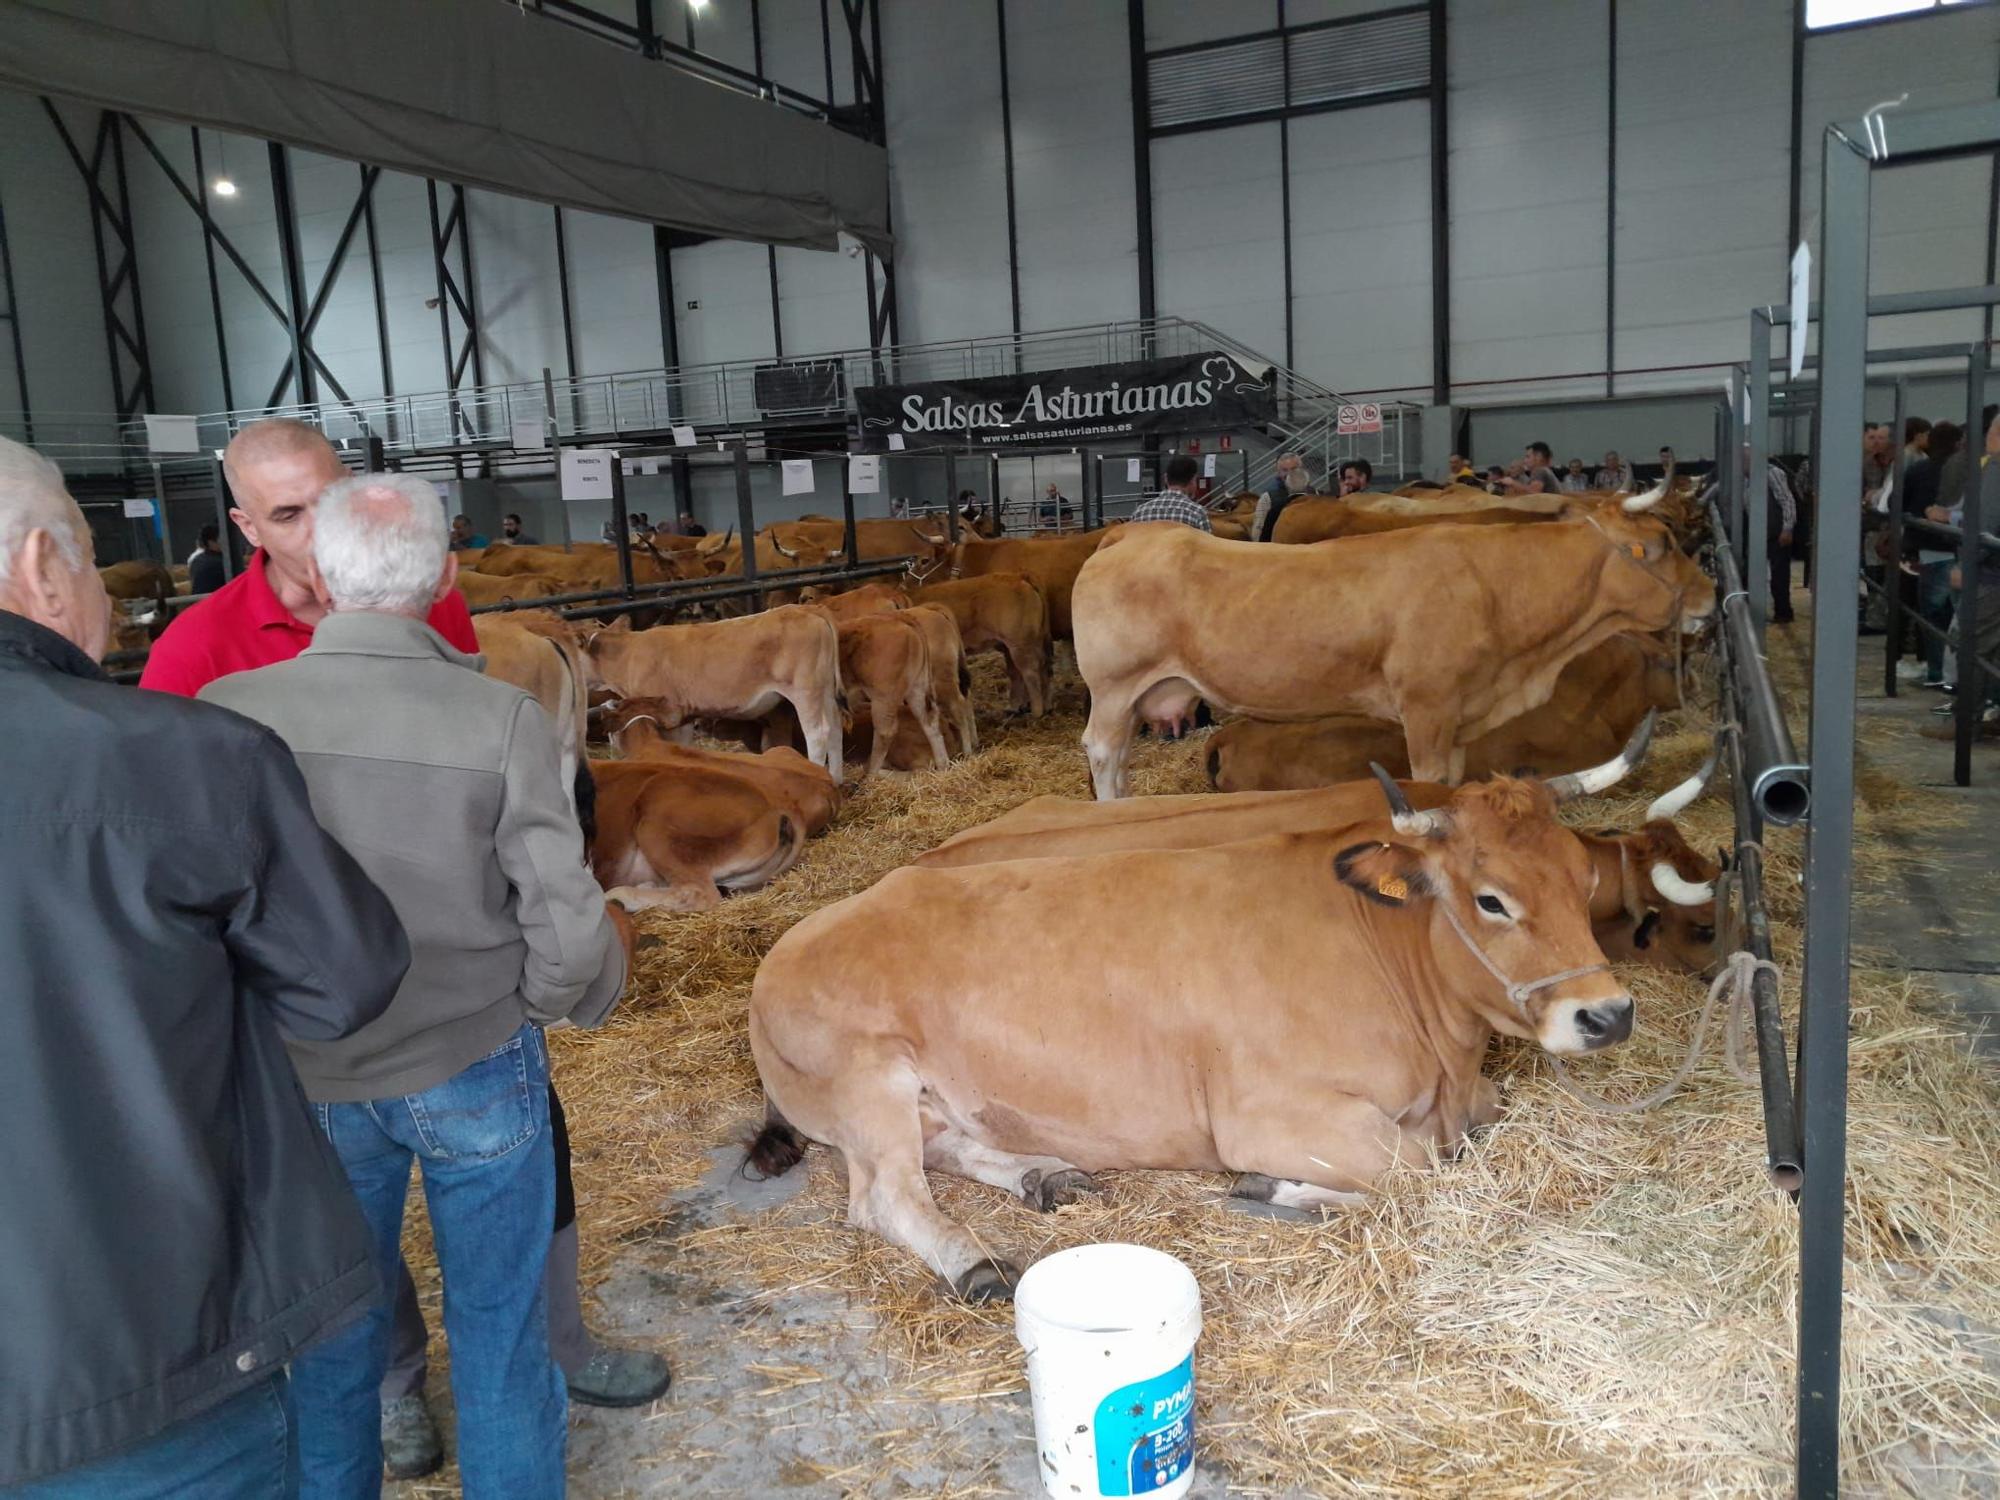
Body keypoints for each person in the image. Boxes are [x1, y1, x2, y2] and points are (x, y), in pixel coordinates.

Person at [141, 419, 667, 1481]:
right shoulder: (495, 715)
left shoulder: (226, 710)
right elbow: (562, 917)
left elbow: (185, 892)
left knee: (328, 1341)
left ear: (322, 568)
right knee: (500, 1335)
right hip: (470, 1056)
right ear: (445, 576)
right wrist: (553, 998)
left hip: (311, 1075)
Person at [0, 435, 412, 1495]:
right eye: (91, 562)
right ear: (44, 568)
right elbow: (339, 982)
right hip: (155, 1350)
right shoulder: (175, 735)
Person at [1903, 421, 1959, 685]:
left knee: (1934, 616)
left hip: (1930, 550)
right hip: (1959, 551)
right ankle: (1955, 677)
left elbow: (1896, 504)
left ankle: (1939, 673)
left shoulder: (1917, 469)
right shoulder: (1969, 471)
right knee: (1956, 618)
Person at [1130, 455, 1213, 531]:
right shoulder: (1197, 513)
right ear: (1193, 481)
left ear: (1165, 478)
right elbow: (1208, 546)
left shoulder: (1139, 512)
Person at [1765, 457, 1802, 625]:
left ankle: (1783, 613)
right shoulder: (1742, 477)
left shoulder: (1772, 473)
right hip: (1760, 532)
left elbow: (1787, 501)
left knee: (1779, 575)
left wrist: (1787, 528)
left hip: (1777, 532)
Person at [1251, 456, 1313, 542]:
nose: (1290, 474)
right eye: (1285, 470)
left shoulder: (1316, 495)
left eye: (1294, 469)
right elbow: (1258, 530)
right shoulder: (1267, 497)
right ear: (1278, 472)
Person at [187, 521, 227, 594]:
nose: (227, 541)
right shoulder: (219, 563)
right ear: (211, 542)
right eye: (222, 538)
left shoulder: (197, 560)